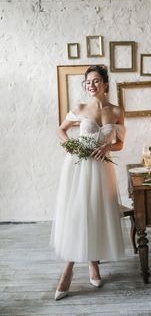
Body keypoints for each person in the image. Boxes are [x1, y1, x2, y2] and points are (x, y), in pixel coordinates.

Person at [50, 65, 126, 300]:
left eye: (95, 81)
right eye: (87, 82)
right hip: (80, 167)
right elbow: (61, 130)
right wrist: (72, 146)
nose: (91, 85)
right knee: (78, 214)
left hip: (102, 169)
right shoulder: (80, 108)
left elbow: (120, 143)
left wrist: (108, 146)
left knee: (95, 213)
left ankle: (94, 264)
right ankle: (68, 270)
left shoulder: (116, 111)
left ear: (105, 84)